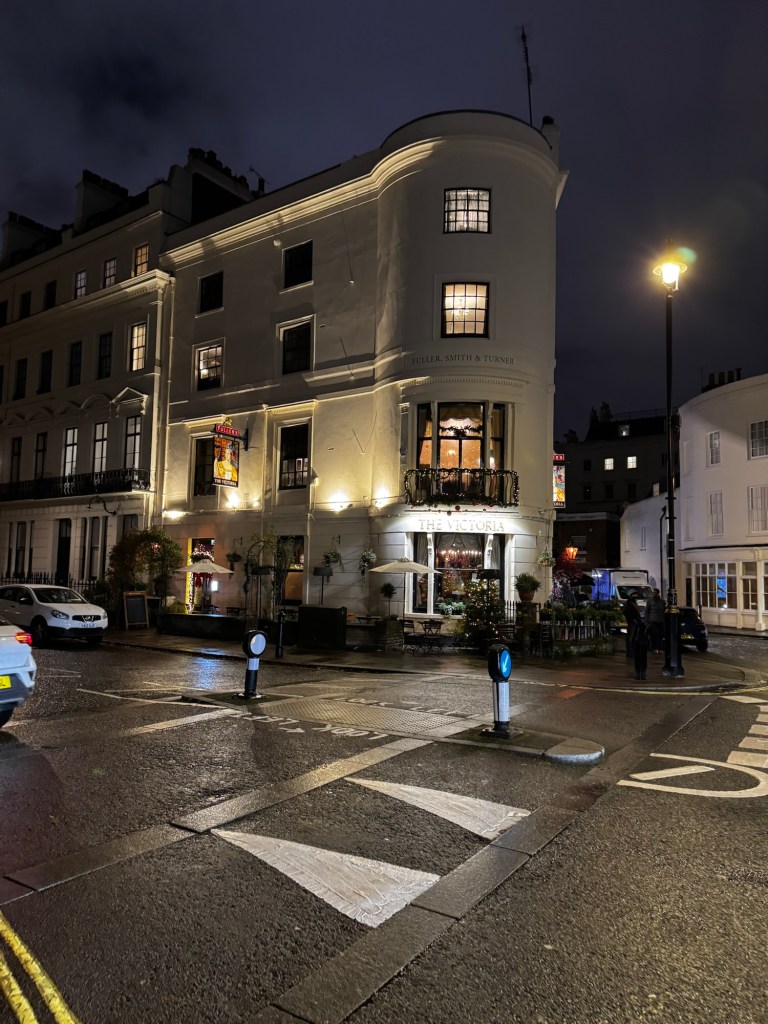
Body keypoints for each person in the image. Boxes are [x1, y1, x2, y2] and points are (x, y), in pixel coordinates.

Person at [623, 592, 643, 658]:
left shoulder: (634, 603)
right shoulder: (629, 603)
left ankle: (632, 651)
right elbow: (626, 612)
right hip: (632, 622)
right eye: (634, 595)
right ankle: (629, 651)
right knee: (630, 637)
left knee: (634, 637)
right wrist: (632, 619)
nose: (635, 596)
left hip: (635, 622)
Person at [645, 588, 666, 653]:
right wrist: (647, 620)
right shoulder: (650, 601)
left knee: (661, 635)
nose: (653, 594)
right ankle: (655, 648)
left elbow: (664, 611)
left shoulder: (662, 602)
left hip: (660, 621)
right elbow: (647, 611)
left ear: (657, 593)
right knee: (654, 635)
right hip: (652, 621)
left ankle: (660, 648)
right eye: (653, 593)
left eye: (655, 592)